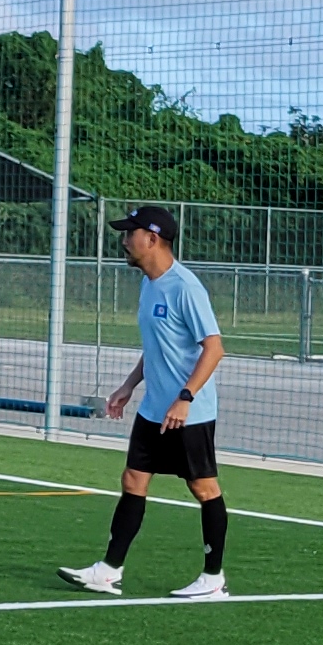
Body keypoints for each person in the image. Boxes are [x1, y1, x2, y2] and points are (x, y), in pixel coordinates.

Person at [61, 205, 231, 601]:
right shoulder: (149, 284)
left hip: (188, 412)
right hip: (154, 407)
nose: (123, 241)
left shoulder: (185, 287)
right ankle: (107, 571)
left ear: (151, 239)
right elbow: (158, 346)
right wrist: (128, 386)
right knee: (133, 480)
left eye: (129, 234)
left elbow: (214, 348)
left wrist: (185, 398)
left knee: (204, 488)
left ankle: (213, 578)